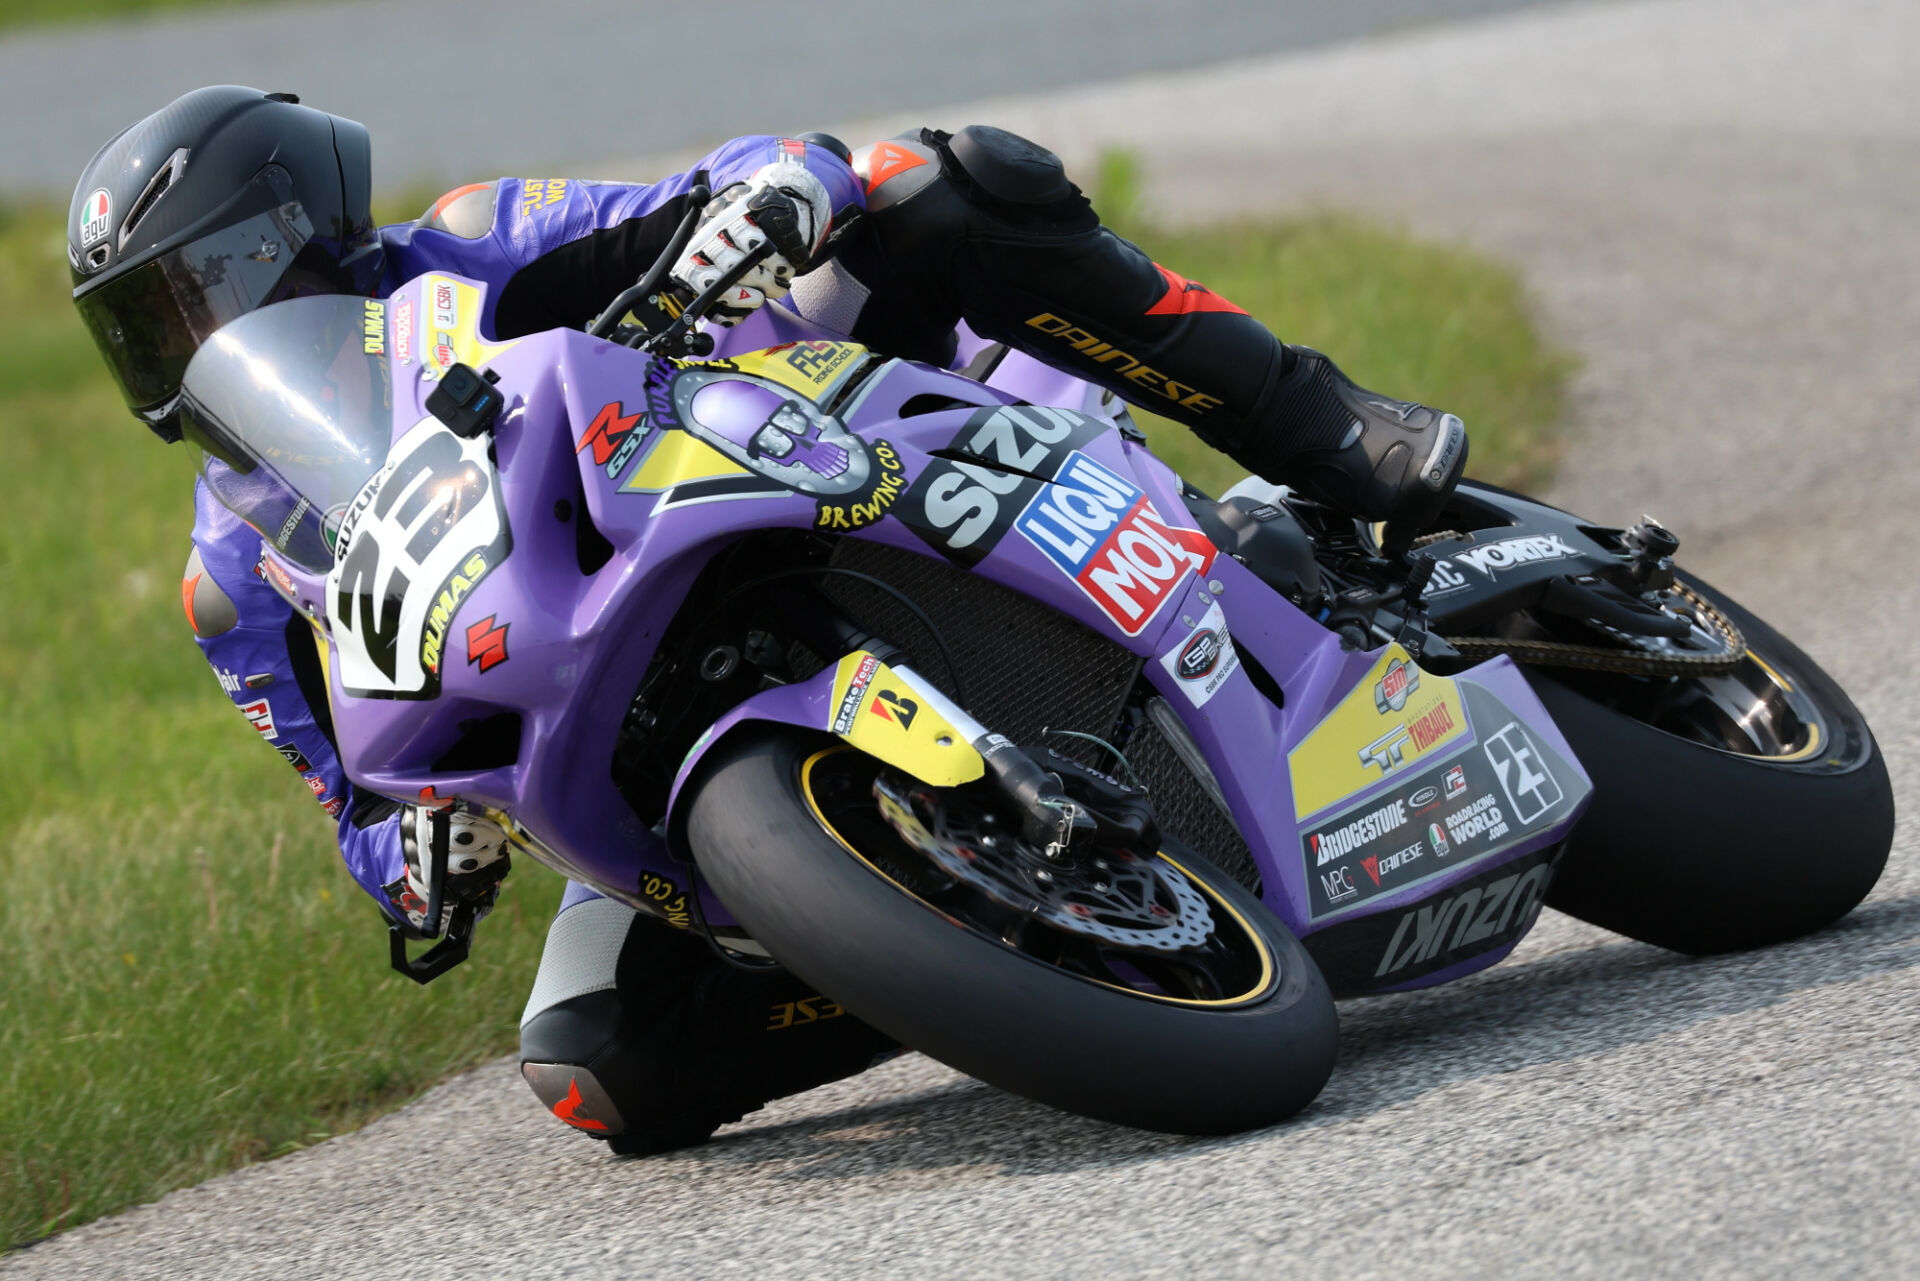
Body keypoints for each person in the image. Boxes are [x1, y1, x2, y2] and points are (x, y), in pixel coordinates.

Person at [69, 86, 1467, 1154]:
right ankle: (943, 943)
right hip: (630, 714)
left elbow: (742, 176)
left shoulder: (470, 245)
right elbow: (359, 816)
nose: (191, 334)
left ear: (301, 222)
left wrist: (765, 206)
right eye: (148, 321)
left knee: (935, 183)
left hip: (788, 458)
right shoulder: (234, 580)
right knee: (597, 1065)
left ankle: (1322, 424)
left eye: (212, 280)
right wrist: (420, 850)